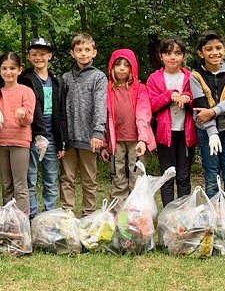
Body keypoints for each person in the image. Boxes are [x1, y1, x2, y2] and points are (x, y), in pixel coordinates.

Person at [101, 49, 156, 207]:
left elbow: (143, 114)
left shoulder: (140, 88)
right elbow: (102, 117)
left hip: (136, 140)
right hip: (115, 141)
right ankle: (119, 212)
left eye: (126, 65)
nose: (122, 68)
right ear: (112, 67)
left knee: (137, 176)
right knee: (117, 176)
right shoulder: (106, 89)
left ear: (133, 68)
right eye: (118, 64)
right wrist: (104, 145)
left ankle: (138, 211)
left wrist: (143, 140)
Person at [59, 33, 106, 217]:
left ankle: (89, 215)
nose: (83, 53)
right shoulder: (66, 78)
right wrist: (61, 136)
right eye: (79, 50)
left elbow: (100, 106)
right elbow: (60, 109)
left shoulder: (98, 77)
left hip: (89, 137)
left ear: (94, 52)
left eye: (87, 50)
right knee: (67, 177)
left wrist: (98, 132)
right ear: (72, 53)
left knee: (89, 179)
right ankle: (67, 214)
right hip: (69, 137)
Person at [146, 38, 197, 207]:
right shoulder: (154, 78)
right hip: (164, 134)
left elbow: (199, 101)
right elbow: (151, 105)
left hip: (186, 134)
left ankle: (183, 213)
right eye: (168, 53)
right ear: (161, 56)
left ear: (183, 56)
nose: (173, 57)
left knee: (183, 176)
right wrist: (170, 95)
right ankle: (168, 213)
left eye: (177, 53)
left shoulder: (190, 77)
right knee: (167, 176)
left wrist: (187, 98)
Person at [190, 30, 225, 199]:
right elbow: (201, 108)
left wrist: (213, 111)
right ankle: (212, 210)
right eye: (209, 49)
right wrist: (212, 133)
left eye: (218, 48)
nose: (214, 52)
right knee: (211, 174)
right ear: (201, 53)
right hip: (206, 132)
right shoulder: (196, 76)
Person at [18, 37, 63, 218]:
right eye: (34, 54)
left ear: (49, 56)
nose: (39, 58)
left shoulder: (55, 81)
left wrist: (61, 142)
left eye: (43, 54)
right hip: (31, 135)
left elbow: (60, 113)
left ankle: (49, 214)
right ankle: (32, 214)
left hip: (51, 136)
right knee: (30, 176)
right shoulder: (25, 79)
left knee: (51, 177)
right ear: (29, 57)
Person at [0, 52, 35, 214]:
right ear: (0, 70)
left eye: (12, 68)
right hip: (1, 142)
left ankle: (22, 221)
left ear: (19, 70)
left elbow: (29, 118)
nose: (8, 72)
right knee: (6, 185)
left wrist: (23, 115)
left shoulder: (26, 91)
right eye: (4, 68)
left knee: (20, 185)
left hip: (20, 142)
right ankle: (8, 219)